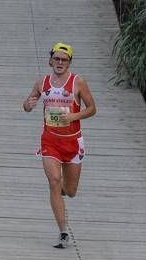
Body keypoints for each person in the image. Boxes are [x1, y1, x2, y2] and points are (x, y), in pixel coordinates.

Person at [21, 42, 97, 249]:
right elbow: (28, 104)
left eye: (64, 59)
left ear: (70, 62)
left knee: (70, 191)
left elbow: (92, 109)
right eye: (57, 58)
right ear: (50, 60)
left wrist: (73, 115)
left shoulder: (77, 83)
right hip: (50, 141)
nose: (60, 62)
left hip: (73, 141)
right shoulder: (41, 82)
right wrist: (27, 105)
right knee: (54, 181)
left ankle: (63, 190)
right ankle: (63, 232)